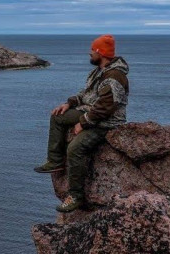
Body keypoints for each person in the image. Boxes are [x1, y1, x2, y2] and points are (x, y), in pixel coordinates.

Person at [34, 34, 129, 212]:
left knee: (75, 148)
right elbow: (86, 93)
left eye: (92, 50)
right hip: (89, 112)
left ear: (101, 53)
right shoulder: (99, 71)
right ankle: (55, 161)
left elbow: (105, 108)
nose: (89, 53)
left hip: (106, 123)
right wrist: (69, 103)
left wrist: (83, 123)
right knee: (57, 116)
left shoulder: (115, 76)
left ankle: (75, 195)